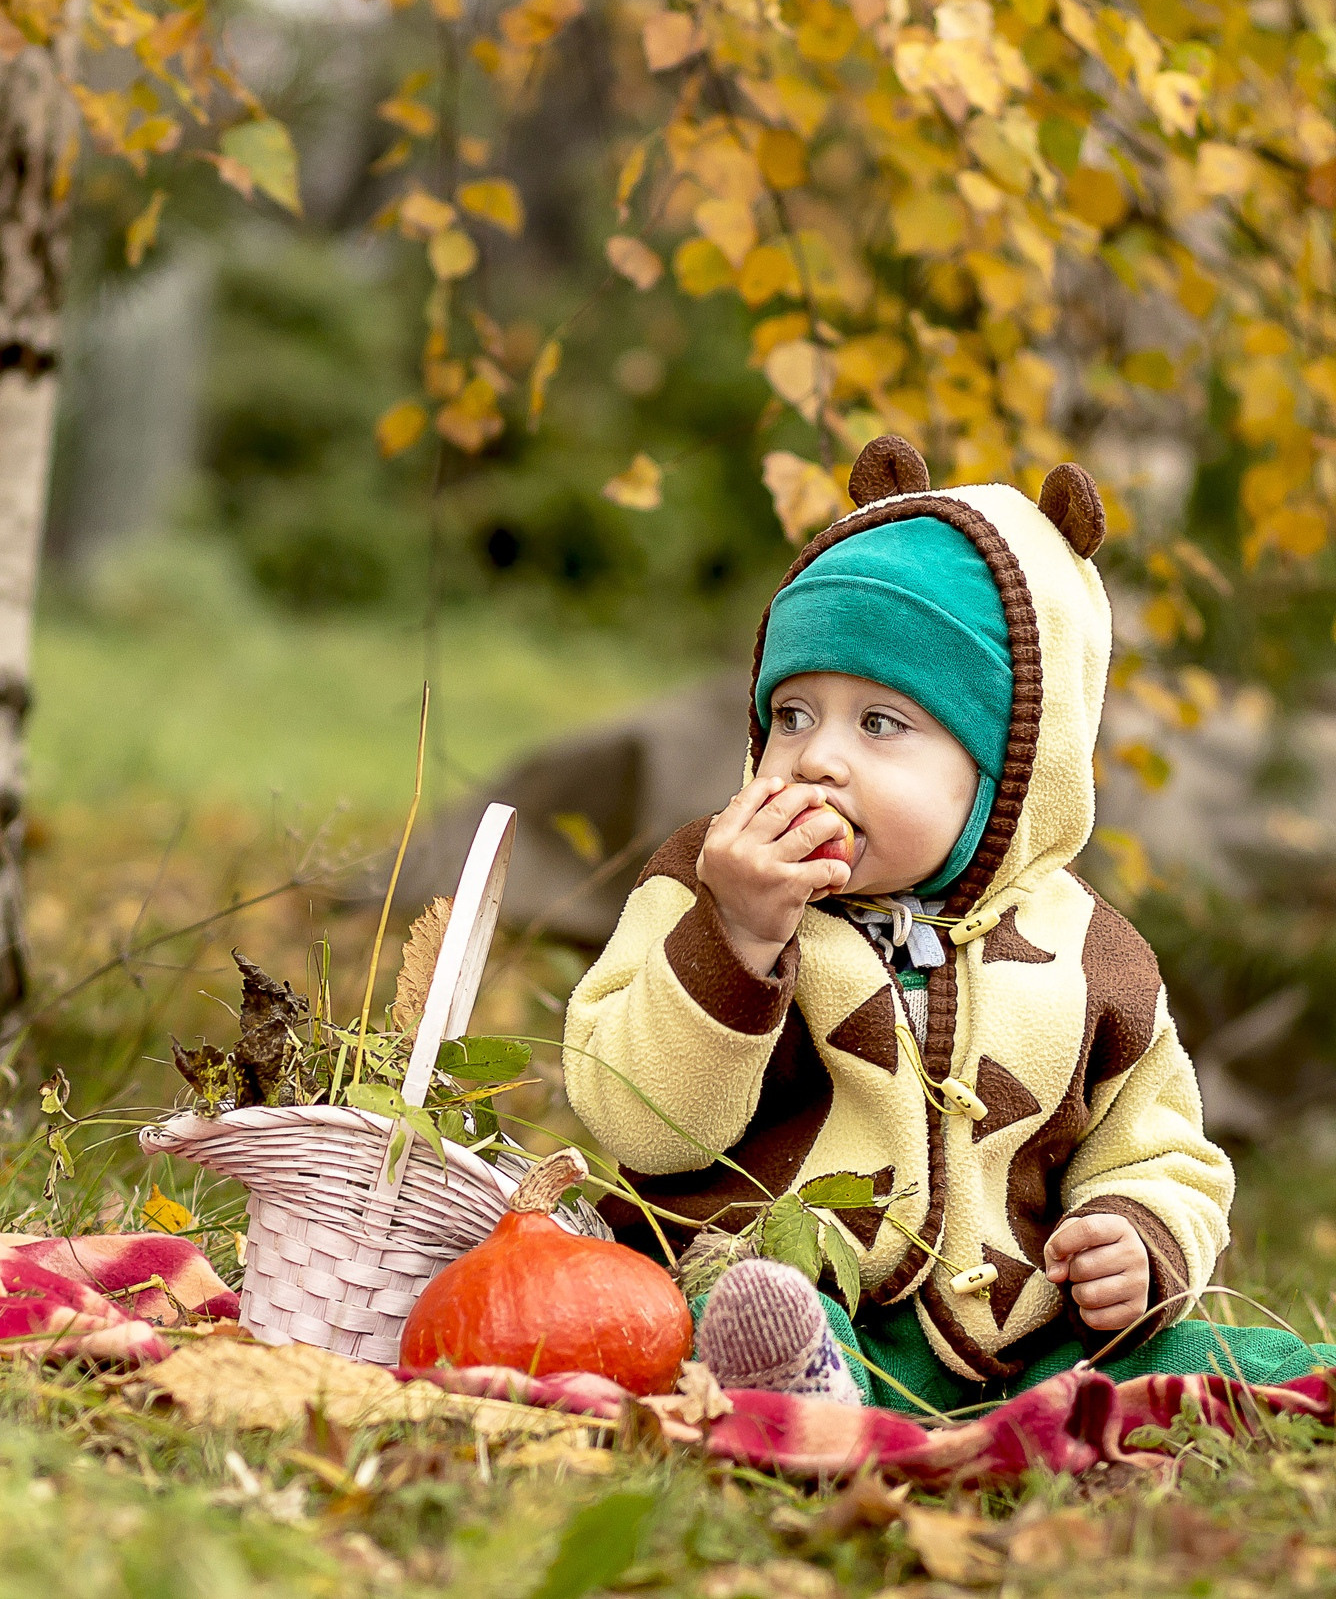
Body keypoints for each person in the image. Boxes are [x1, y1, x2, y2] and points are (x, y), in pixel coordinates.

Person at [561, 436, 1334, 1413]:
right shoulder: (709, 882)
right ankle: (795, 1390)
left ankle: (1276, 1390)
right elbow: (642, 1124)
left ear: (1011, 764)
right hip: (796, 1288)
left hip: (1012, 1344)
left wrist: (1136, 1236)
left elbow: (1158, 1144)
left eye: (879, 725)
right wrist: (741, 937)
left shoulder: (1091, 955)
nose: (815, 760)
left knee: (1203, 1352)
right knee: (747, 1294)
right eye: (792, 716)